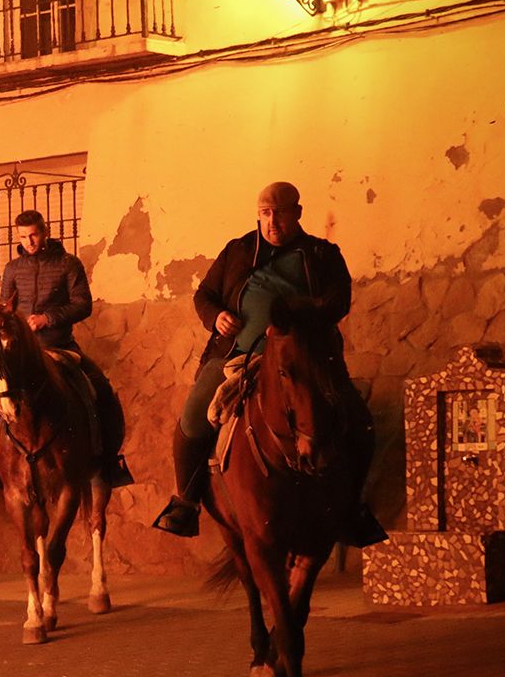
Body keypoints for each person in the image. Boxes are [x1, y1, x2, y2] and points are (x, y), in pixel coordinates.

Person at [151, 182, 386, 546]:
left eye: (279, 213)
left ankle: (352, 509)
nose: (272, 221)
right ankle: (186, 503)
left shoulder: (322, 255)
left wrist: (302, 317)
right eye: (264, 213)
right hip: (236, 356)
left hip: (305, 360)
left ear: (297, 213)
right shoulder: (238, 250)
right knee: (193, 418)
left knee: (358, 422)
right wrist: (216, 317)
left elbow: (339, 302)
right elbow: (204, 295)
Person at [0, 209, 133, 489]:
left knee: (99, 387)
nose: (29, 241)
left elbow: (82, 304)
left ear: (45, 231)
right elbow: (5, 310)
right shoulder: (12, 269)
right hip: (21, 354)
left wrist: (47, 319)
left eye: (34, 235)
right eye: (23, 237)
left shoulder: (68, 264)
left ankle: (107, 460)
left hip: (59, 346)